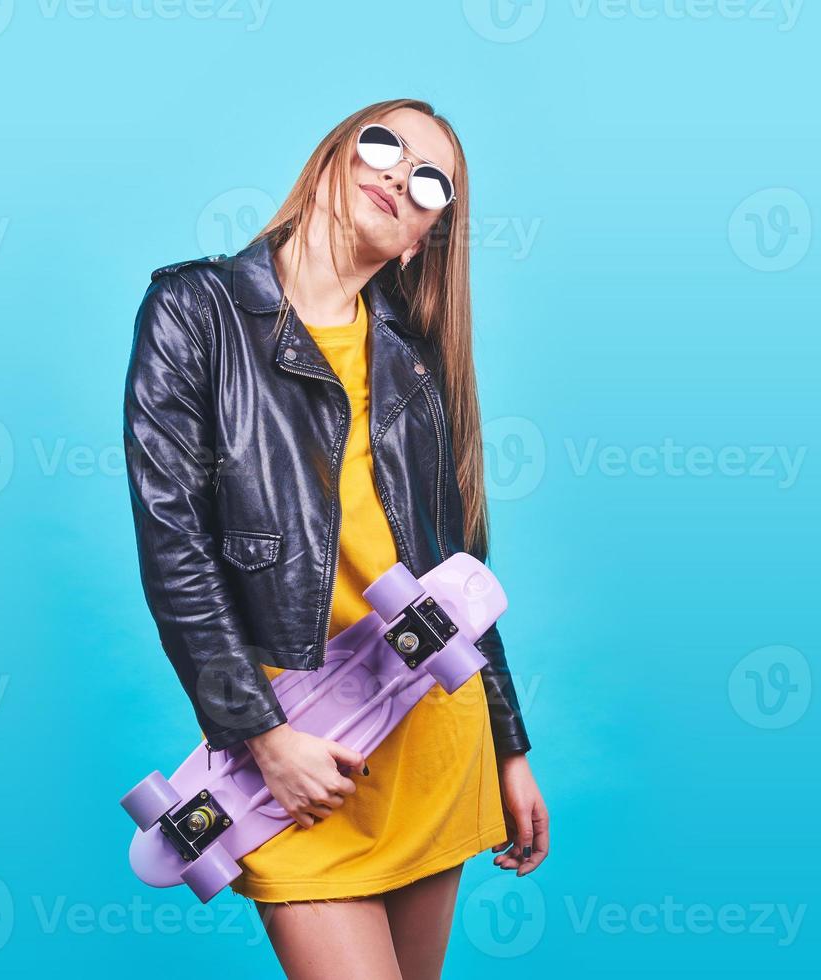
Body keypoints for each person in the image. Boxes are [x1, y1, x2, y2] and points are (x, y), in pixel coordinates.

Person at [123, 98, 548, 979]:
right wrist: (264, 739)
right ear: (329, 159)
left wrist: (508, 743)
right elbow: (174, 546)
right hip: (291, 764)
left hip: (430, 737)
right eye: (384, 144)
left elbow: (455, 562)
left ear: (420, 239)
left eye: (429, 181)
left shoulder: (414, 360)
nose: (399, 174)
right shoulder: (192, 312)